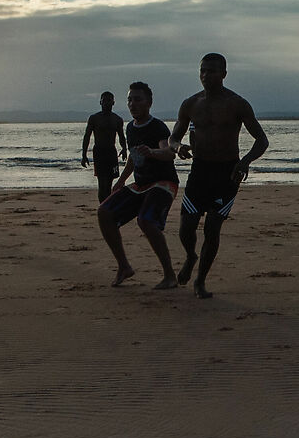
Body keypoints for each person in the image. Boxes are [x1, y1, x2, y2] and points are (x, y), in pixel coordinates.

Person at [170, 52, 269, 299]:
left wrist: (245, 162)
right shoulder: (191, 104)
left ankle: (200, 281)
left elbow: (261, 140)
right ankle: (191, 256)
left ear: (224, 74)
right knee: (186, 228)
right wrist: (178, 147)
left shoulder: (237, 103)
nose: (206, 75)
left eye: (212, 71)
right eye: (203, 70)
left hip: (228, 172)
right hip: (200, 171)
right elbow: (173, 137)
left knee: (213, 227)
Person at [97, 81, 178, 288]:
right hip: (141, 184)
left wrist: (152, 152)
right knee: (104, 212)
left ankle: (170, 275)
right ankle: (124, 266)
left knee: (146, 220)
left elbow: (168, 153)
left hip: (163, 183)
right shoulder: (130, 128)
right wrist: (122, 180)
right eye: (130, 100)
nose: (132, 104)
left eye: (137, 99)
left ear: (149, 103)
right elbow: (133, 157)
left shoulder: (157, 126)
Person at [80, 92, 127, 200]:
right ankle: (103, 206)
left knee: (109, 182)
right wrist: (84, 155)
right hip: (99, 152)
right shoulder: (94, 118)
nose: (107, 103)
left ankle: (107, 205)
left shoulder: (117, 119)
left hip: (111, 151)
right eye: (104, 100)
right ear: (100, 102)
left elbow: (121, 136)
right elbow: (87, 136)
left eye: (109, 100)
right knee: (102, 183)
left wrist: (124, 149)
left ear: (113, 102)